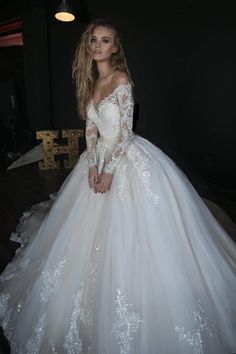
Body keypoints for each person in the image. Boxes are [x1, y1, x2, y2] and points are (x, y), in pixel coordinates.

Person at [0, 18, 236, 354]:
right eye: (93, 40)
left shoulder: (121, 79)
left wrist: (109, 170)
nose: (98, 45)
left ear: (115, 47)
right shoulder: (92, 84)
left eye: (105, 40)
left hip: (126, 159)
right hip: (98, 159)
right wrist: (92, 165)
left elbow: (124, 133)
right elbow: (91, 132)